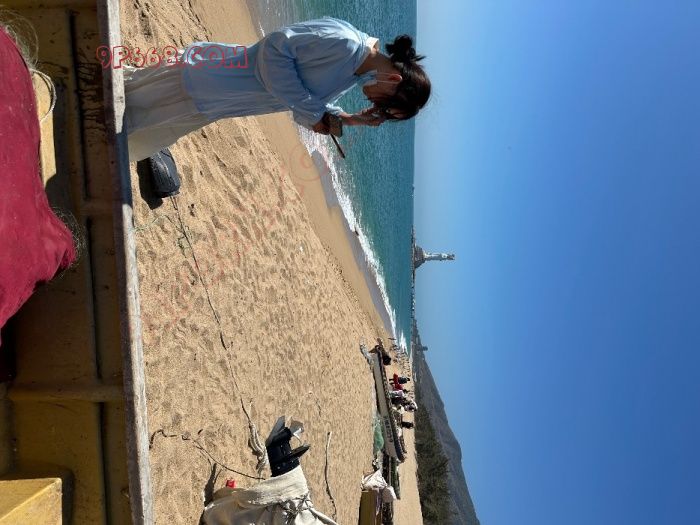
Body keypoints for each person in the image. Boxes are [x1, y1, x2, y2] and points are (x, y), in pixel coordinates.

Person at [124, 17, 431, 161]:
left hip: (219, 102)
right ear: (394, 80)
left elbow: (305, 103)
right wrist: (313, 112)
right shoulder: (345, 43)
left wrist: (352, 119)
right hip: (208, 81)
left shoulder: (355, 71)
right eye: (385, 107)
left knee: (139, 133)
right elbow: (274, 48)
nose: (377, 109)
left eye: (382, 114)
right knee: (125, 106)